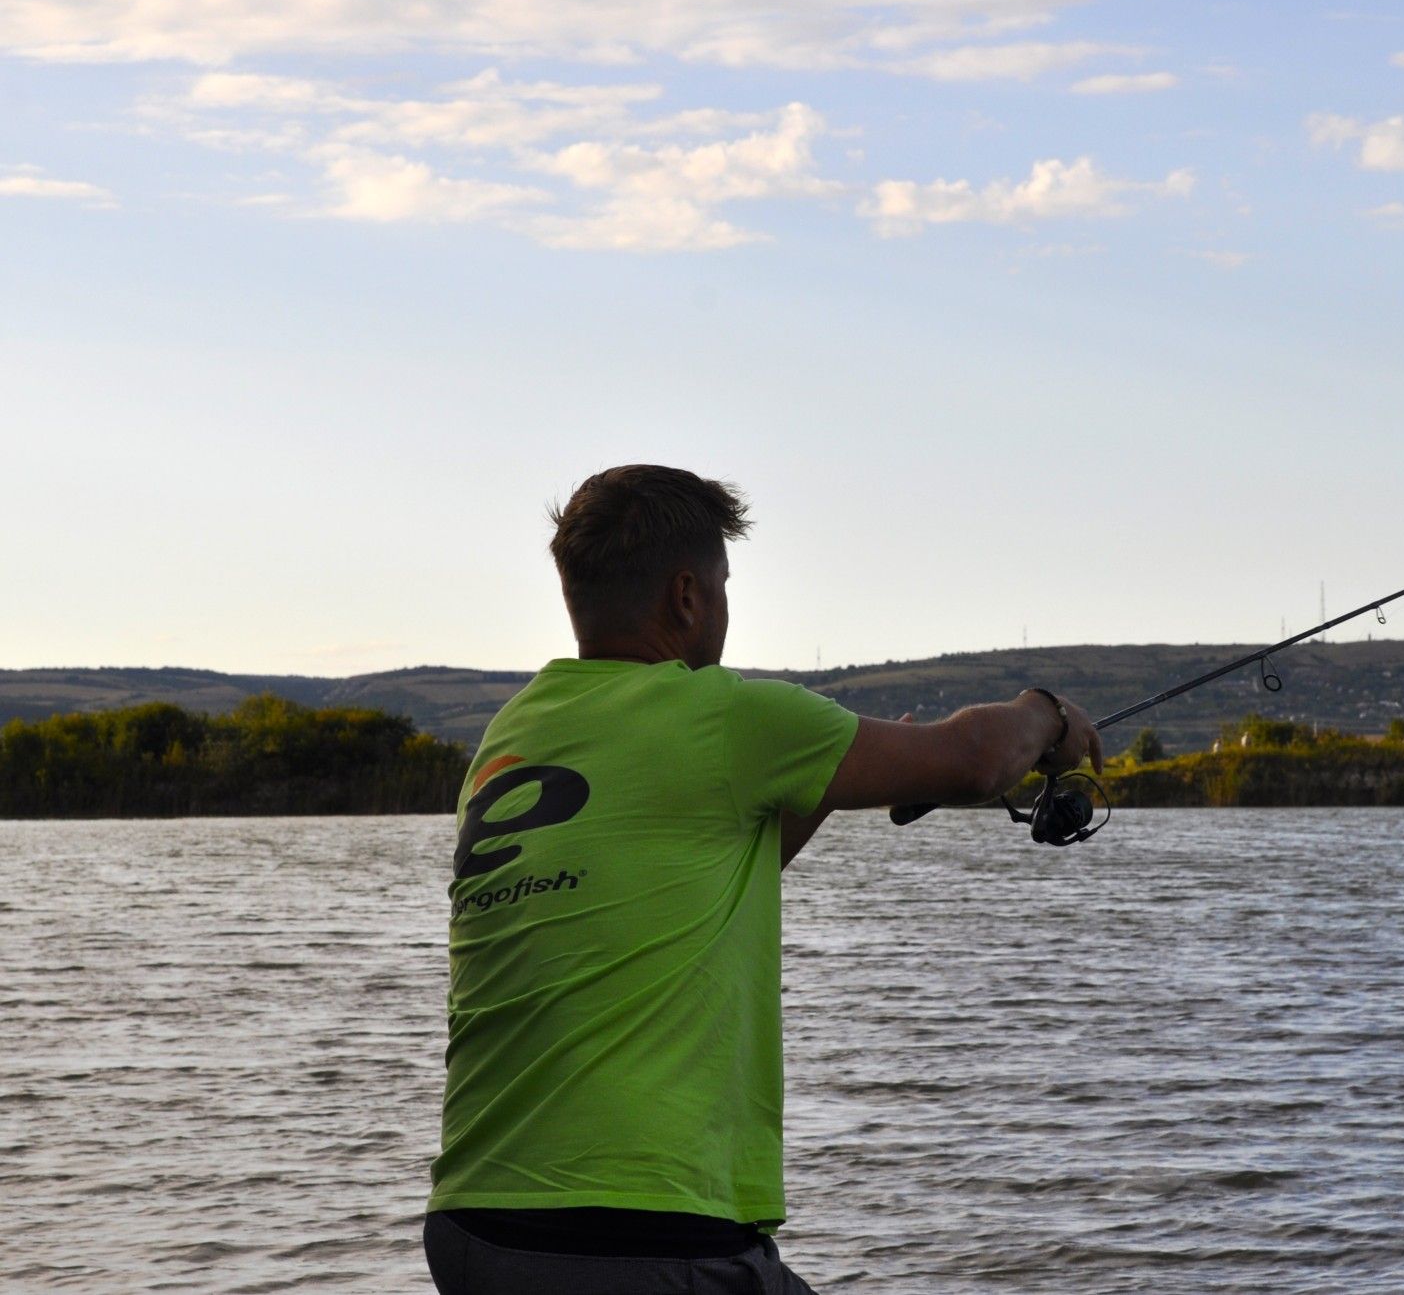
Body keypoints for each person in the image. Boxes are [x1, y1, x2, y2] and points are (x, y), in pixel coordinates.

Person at [423, 464, 1102, 1294]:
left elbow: (684, 877)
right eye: (723, 583)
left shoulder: (512, 738)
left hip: (475, 1226)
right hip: (643, 1232)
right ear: (686, 597)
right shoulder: (723, 714)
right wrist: (1049, 715)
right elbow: (975, 761)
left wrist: (834, 780)